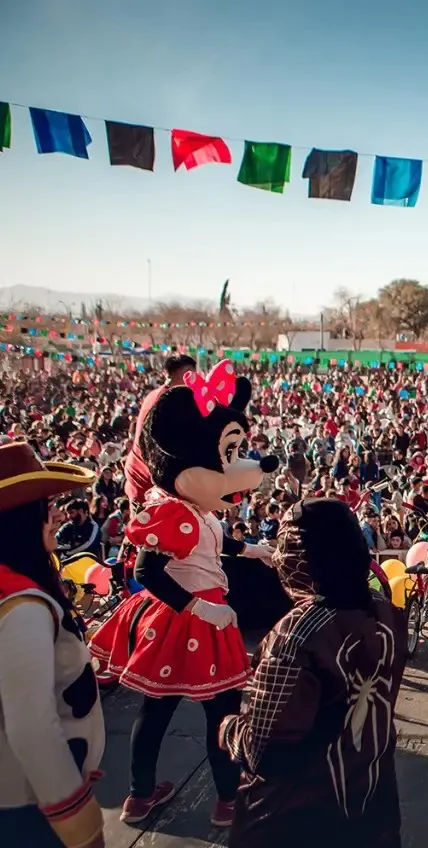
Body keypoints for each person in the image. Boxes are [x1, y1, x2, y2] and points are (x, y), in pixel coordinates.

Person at [89, 361, 278, 829]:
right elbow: (145, 569)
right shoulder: (173, 511)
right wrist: (201, 607)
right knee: (209, 713)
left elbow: (214, 539)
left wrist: (254, 549)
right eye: (226, 454)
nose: (237, 469)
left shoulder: (195, 509)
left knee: (169, 710)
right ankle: (220, 800)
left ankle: (148, 795)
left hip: (200, 613)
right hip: (185, 618)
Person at [221, 498, 408, 848]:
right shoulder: (387, 613)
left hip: (294, 821)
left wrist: (228, 727)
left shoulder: (300, 634)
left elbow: (265, 752)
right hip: (371, 806)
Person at [0, 441, 105, 848]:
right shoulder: (23, 608)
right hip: (31, 809)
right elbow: (32, 729)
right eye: (47, 505)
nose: (59, 514)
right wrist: (78, 822)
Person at [123, 354, 196, 505]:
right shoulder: (165, 399)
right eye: (191, 375)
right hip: (147, 476)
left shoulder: (161, 394)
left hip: (150, 474)